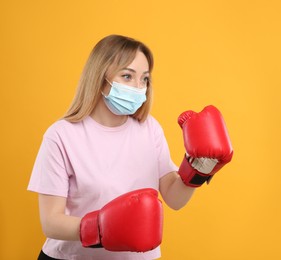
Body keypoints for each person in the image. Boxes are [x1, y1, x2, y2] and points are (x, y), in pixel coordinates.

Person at [28, 34, 233, 260]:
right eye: (127, 76)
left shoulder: (149, 129)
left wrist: (199, 170)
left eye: (144, 79)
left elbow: (174, 199)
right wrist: (103, 228)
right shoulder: (61, 135)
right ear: (100, 77)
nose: (138, 87)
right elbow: (51, 222)